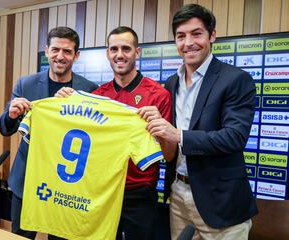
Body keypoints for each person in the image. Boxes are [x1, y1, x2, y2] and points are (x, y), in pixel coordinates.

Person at [139, 4, 258, 239]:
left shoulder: (236, 79)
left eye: (196, 33)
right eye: (181, 36)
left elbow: (235, 137)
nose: (188, 43)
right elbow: (170, 150)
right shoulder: (171, 83)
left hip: (220, 201)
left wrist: (179, 135)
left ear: (212, 36)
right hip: (178, 196)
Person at [56, 26, 176, 240]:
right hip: (102, 191)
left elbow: (169, 156)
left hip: (140, 192)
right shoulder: (97, 95)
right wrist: (63, 100)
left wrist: (159, 127)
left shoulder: (159, 95)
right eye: (114, 49)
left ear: (137, 53)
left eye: (126, 49)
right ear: (107, 53)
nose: (119, 55)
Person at [0, 27, 98, 239]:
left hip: (66, 185)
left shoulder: (89, 89)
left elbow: (94, 137)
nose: (60, 56)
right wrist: (11, 114)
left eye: (67, 51)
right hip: (26, 178)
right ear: (46, 51)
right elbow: (6, 128)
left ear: (76, 55)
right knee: (20, 236)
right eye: (55, 50)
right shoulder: (26, 84)